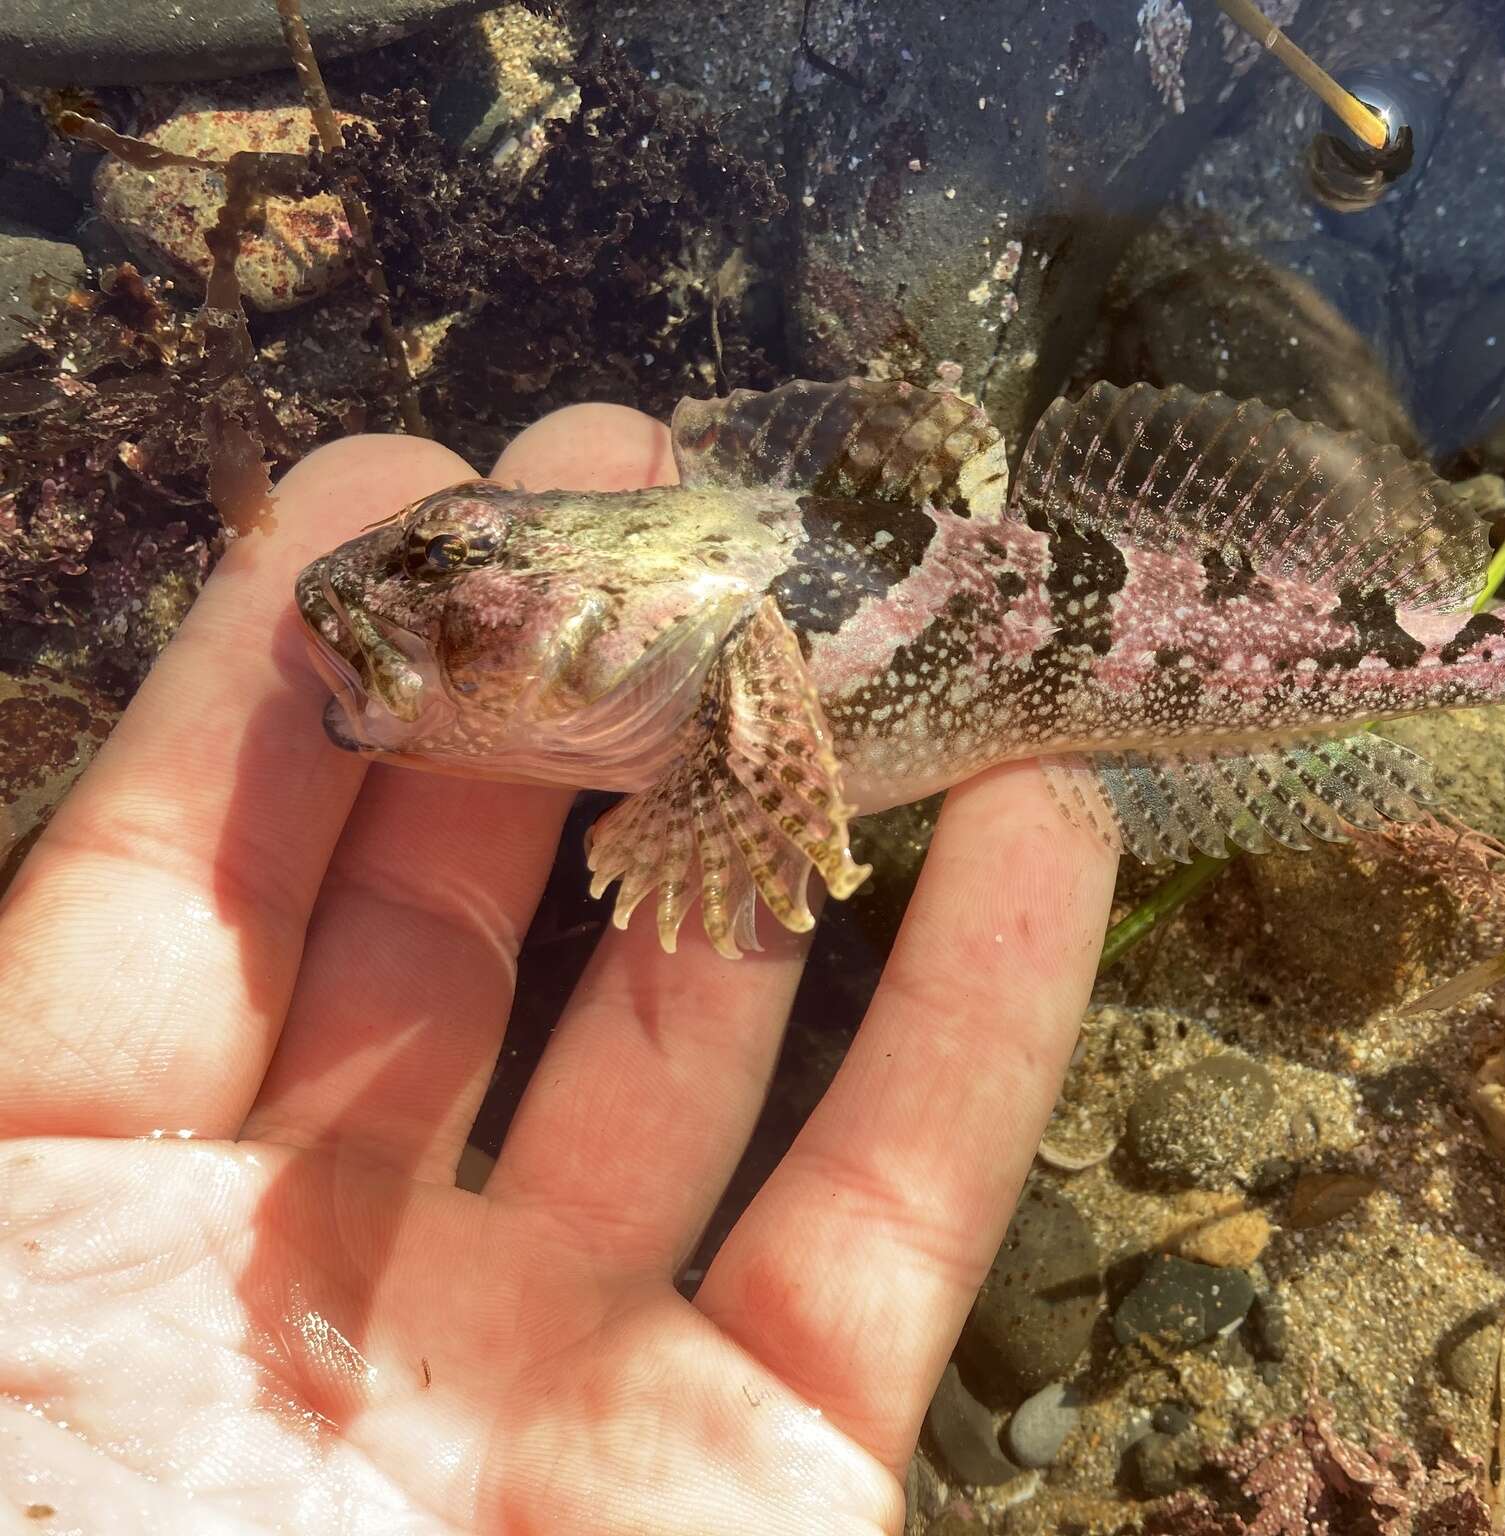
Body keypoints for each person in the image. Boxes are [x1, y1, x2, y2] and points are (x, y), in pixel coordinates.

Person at [0, 404, 1119, 1533]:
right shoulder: (687, 600)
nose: (393, 612)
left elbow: (779, 783)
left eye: (447, 569)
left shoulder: (728, 629)